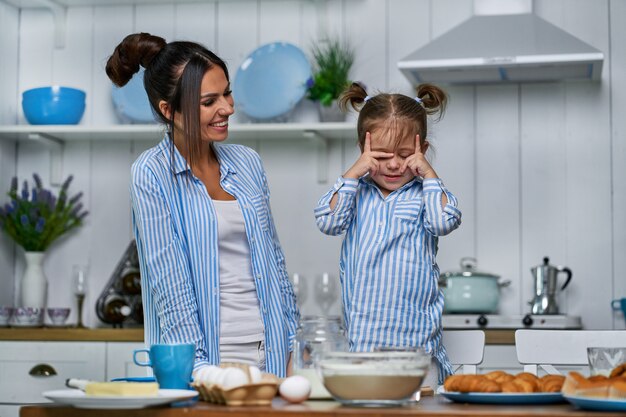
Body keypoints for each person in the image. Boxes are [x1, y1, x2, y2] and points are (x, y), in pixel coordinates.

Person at [106, 33, 299, 377]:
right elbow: (169, 284)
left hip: (270, 353)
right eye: (209, 101)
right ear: (169, 110)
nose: (228, 108)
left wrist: (292, 345)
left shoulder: (247, 162)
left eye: (226, 93)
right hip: (203, 363)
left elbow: (275, 263)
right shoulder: (151, 173)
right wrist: (201, 370)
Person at [314, 82, 462, 384]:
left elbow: (443, 221)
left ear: (422, 151)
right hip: (363, 350)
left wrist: (430, 175)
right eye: (381, 156)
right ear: (363, 151)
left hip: (418, 353)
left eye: (406, 154)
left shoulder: (424, 193)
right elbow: (328, 221)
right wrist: (354, 174)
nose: (394, 164)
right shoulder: (356, 192)